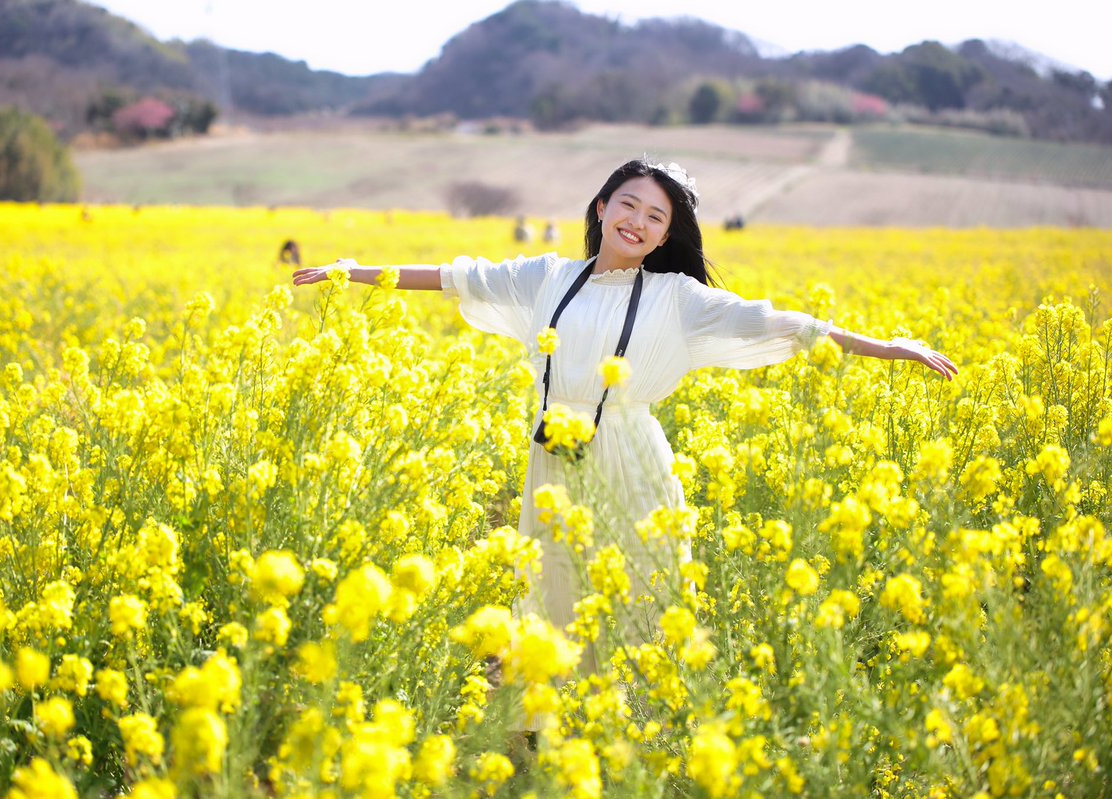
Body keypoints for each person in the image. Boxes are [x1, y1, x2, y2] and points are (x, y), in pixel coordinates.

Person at [292, 158, 956, 646]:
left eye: (655, 216)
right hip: (553, 455)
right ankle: (553, 726)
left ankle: (635, 728)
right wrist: (357, 271)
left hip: (631, 461)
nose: (638, 221)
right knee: (555, 587)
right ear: (602, 206)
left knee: (639, 591)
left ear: (667, 236)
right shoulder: (546, 275)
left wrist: (889, 346)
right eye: (628, 205)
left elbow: (781, 323)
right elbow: (454, 276)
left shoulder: (679, 300)